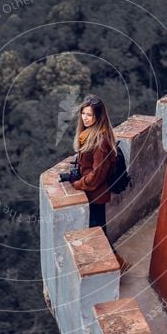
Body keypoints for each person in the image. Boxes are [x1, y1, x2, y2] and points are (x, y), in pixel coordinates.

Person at [67, 95, 130, 273]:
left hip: (96, 194)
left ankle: (117, 266)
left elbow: (96, 176)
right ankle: (117, 265)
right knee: (99, 232)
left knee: (98, 234)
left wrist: (78, 183)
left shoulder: (100, 141)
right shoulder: (87, 136)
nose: (85, 118)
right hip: (93, 193)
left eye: (90, 115)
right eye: (83, 114)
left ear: (98, 117)